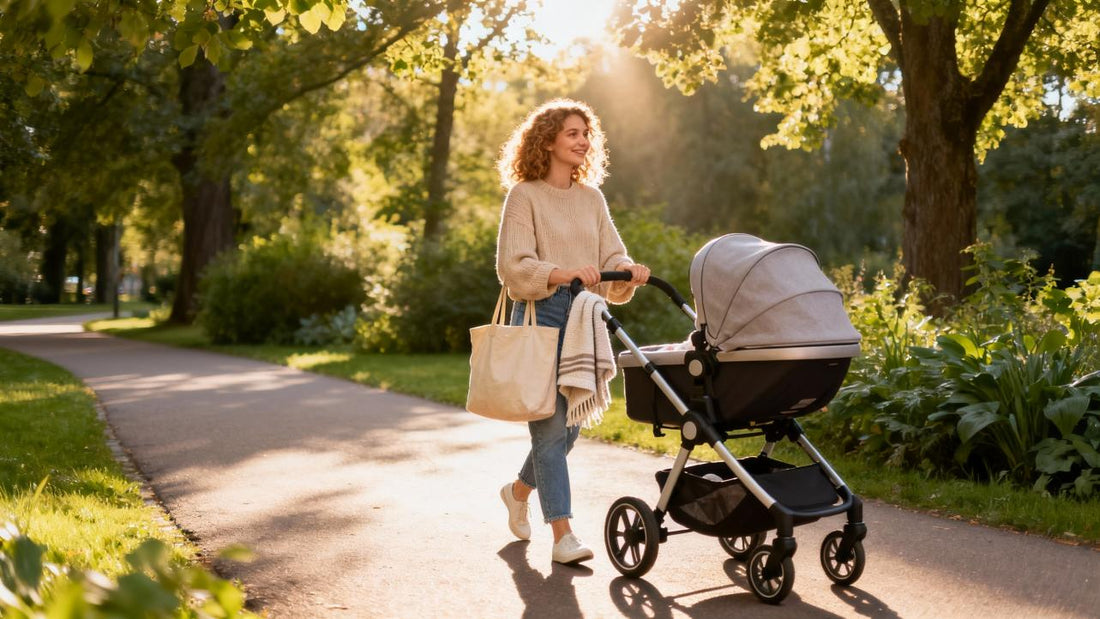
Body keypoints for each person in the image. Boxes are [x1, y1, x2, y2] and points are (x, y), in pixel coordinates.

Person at [494, 99, 650, 564]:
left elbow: (610, 256)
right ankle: (562, 534)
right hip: (543, 314)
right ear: (547, 141)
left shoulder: (592, 198)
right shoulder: (524, 196)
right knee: (549, 429)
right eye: (572, 133)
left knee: (570, 430)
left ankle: (518, 491)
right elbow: (513, 266)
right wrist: (561, 273)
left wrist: (626, 268)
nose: (583, 141)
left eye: (586, 133)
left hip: (587, 315)